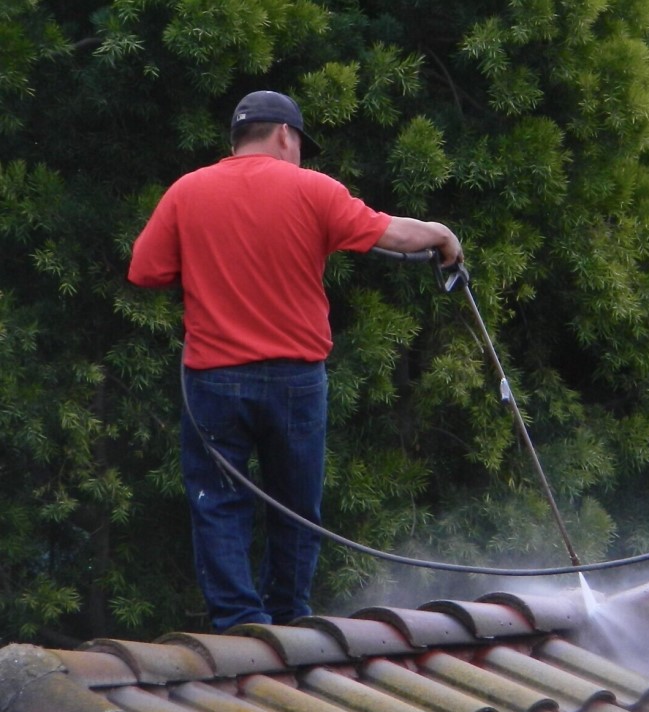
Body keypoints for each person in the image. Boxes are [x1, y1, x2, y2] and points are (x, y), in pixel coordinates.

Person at [129, 90, 462, 631]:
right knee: (295, 505)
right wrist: (443, 236)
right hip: (295, 381)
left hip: (212, 379)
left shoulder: (187, 191)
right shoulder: (313, 189)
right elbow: (394, 234)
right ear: (285, 135)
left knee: (219, 504)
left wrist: (207, 263)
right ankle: (287, 619)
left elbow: (144, 271)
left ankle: (238, 625)